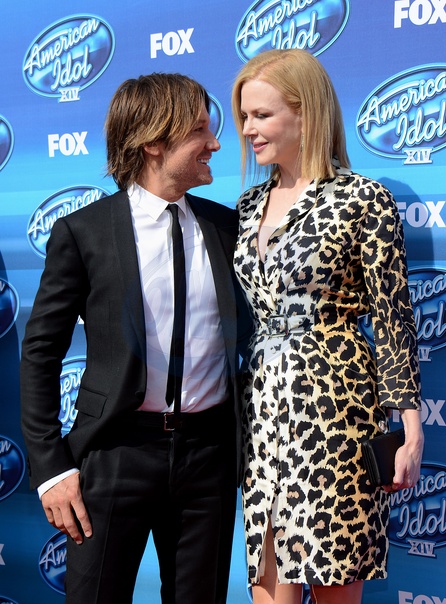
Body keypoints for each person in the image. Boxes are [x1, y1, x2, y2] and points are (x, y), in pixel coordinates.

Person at [20, 73, 249, 604]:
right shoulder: (84, 233)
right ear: (153, 143)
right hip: (115, 452)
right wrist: (51, 469)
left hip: (208, 458)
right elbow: (41, 354)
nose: (215, 143)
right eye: (199, 130)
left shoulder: (227, 228)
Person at [231, 49, 424, 604]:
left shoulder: (363, 200)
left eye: (261, 115)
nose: (247, 130)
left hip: (336, 406)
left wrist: (411, 428)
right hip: (261, 408)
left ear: (306, 113)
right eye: (244, 116)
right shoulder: (247, 206)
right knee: (268, 580)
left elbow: (392, 317)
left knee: (335, 578)